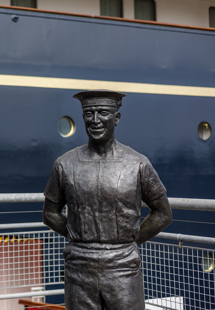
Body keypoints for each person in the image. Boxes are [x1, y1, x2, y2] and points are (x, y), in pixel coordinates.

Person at [43, 90, 172, 310]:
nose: (95, 120)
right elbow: (49, 213)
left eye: (102, 113)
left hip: (123, 268)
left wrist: (128, 240)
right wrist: (79, 235)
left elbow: (163, 213)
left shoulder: (137, 164)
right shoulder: (65, 164)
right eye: (88, 114)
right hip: (79, 268)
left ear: (117, 118)